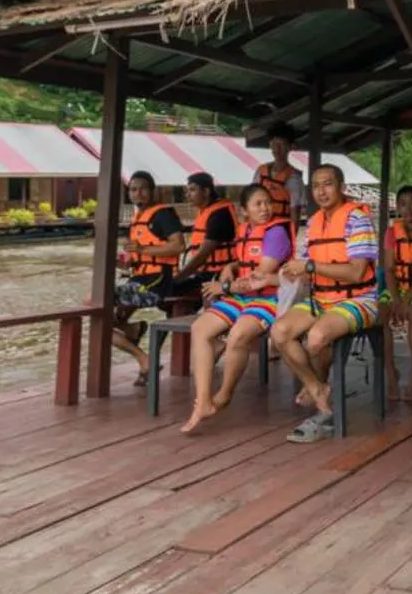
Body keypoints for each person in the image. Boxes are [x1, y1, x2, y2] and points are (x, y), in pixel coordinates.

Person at [270, 163, 381, 443]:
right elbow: (307, 267)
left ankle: (321, 400)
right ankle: (318, 389)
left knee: (316, 337)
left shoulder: (358, 219)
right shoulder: (313, 222)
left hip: (358, 299)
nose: (322, 191)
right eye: (316, 186)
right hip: (320, 298)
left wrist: (308, 267)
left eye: (328, 184)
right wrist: (293, 271)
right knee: (279, 332)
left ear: (341, 187)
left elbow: (356, 271)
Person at [179, 184, 290, 434]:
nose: (265, 208)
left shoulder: (277, 233)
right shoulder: (245, 230)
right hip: (243, 297)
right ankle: (204, 400)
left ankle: (225, 394)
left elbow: (261, 275)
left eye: (267, 203)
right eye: (258, 204)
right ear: (244, 211)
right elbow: (248, 260)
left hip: (269, 298)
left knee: (238, 336)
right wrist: (231, 264)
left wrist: (224, 286)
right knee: (200, 329)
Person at [113, 170, 186, 386]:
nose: (138, 194)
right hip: (140, 278)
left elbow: (178, 245)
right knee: (102, 319)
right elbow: (141, 255)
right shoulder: (137, 219)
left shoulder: (163, 215)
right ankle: (136, 339)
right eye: (133, 190)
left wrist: (142, 249)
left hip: (158, 281)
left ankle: (143, 357)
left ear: (152, 191)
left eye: (143, 189)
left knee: (96, 302)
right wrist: (128, 262)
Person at [379, 185, 412, 402]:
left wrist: (408, 300)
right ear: (397, 207)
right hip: (396, 287)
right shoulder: (391, 233)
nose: (408, 209)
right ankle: (390, 371)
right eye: (403, 204)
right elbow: (389, 269)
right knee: (380, 314)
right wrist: (397, 299)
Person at [173, 173, 239, 292]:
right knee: (172, 295)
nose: (187, 195)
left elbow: (203, 254)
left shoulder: (219, 215)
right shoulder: (205, 211)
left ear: (206, 191)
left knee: (172, 288)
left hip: (219, 274)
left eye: (192, 190)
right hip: (205, 272)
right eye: (186, 191)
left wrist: (179, 277)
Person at [253, 123, 307, 231]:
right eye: (273, 144)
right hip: (259, 229)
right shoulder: (261, 171)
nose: (277, 149)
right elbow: (251, 200)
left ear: (290, 147)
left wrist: (291, 240)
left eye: (281, 144)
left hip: (280, 231)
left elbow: (294, 213)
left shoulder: (294, 179)